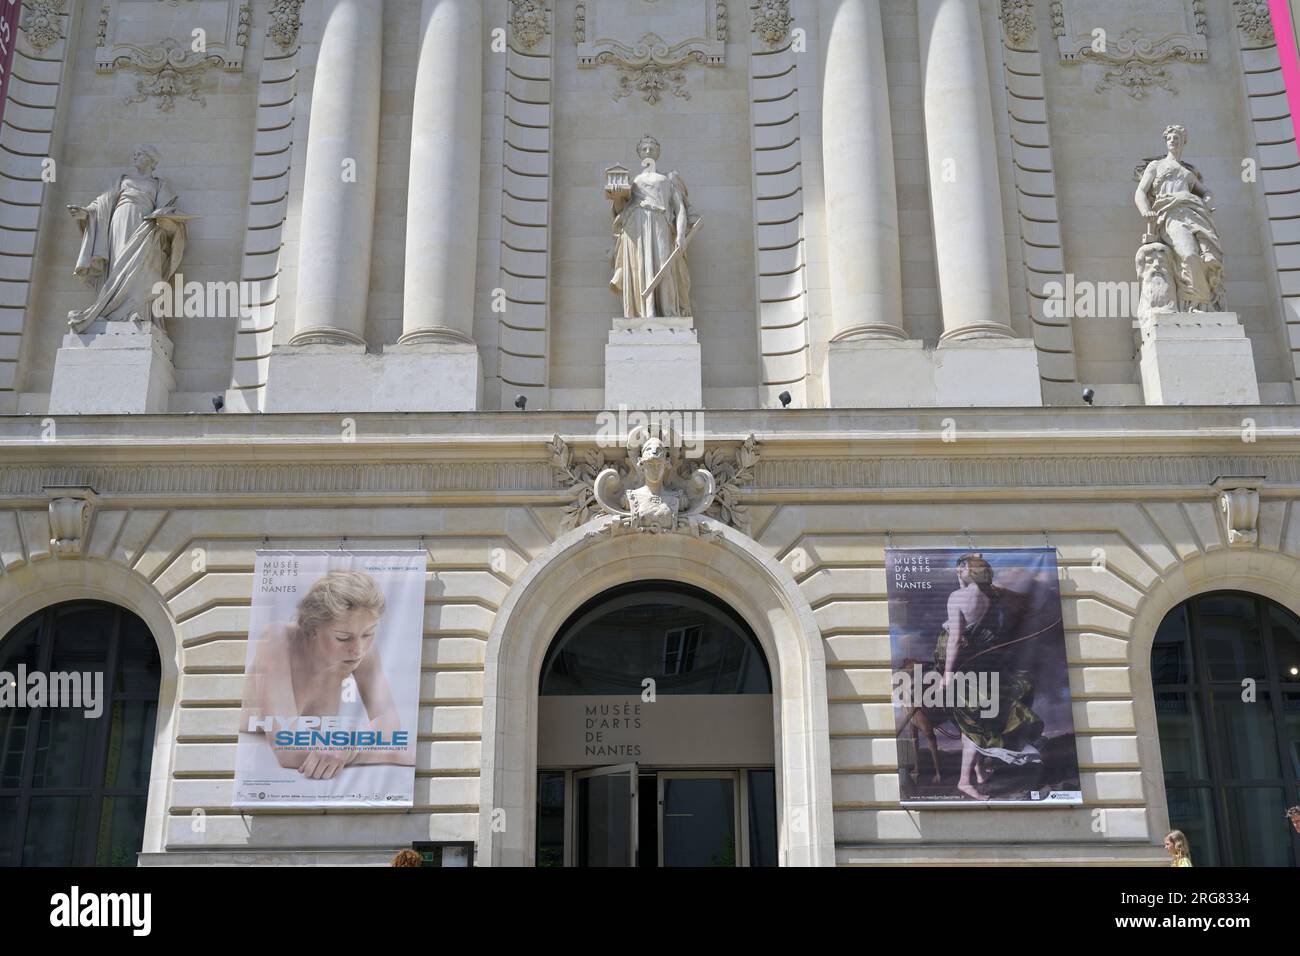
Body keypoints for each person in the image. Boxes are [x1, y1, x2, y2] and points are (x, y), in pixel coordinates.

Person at [240, 570, 416, 779]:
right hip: (254, 755)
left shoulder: (362, 651)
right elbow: (287, 749)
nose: (358, 650)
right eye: (342, 638)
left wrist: (349, 743)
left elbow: (389, 723)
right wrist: (389, 754)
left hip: (304, 774)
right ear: (313, 628)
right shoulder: (277, 640)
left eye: (368, 634)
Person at [935, 553, 1044, 800]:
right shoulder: (994, 598)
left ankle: (966, 780)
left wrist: (948, 674)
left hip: (967, 670)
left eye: (960, 569)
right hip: (987, 667)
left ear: (967, 571)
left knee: (975, 725)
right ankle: (976, 773)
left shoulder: (957, 598)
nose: (957, 572)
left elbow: (954, 639)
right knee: (972, 724)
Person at [66, 144, 189, 332]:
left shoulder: (159, 184)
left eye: (139, 154)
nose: (135, 156)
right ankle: (109, 312)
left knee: (143, 269)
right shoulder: (122, 180)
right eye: (135, 154)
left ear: (151, 160)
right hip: (120, 222)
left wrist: (164, 220)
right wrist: (86, 213)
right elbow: (102, 203)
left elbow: (168, 210)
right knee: (117, 265)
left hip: (146, 228)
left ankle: (138, 312)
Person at [1134, 125, 1224, 313]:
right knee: (1189, 255)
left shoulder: (1187, 173)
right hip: (1170, 215)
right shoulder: (1156, 166)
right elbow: (1140, 192)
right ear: (1166, 142)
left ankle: (1202, 306)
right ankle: (1194, 303)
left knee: (1204, 256)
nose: (1173, 141)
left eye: (1177, 138)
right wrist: (1146, 211)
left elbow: (1206, 192)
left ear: (1183, 142)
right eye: (1170, 139)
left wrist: (1206, 202)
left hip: (1195, 213)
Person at [607, 134, 694, 318]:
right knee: (640, 269)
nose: (648, 151)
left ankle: (669, 312)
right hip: (636, 226)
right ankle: (644, 312)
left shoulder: (668, 179)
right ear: (639, 153)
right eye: (644, 148)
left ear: (658, 152)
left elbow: (680, 210)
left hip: (660, 224)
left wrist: (679, 235)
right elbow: (620, 209)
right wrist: (616, 197)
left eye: (651, 148)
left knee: (664, 267)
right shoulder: (634, 182)